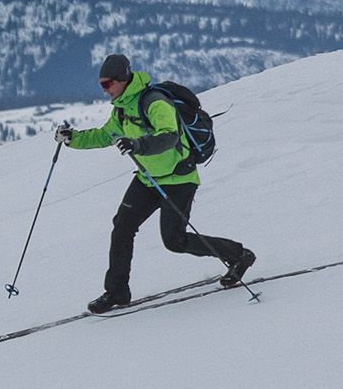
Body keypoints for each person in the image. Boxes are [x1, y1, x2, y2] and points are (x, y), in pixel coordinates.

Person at [59, 53, 253, 312]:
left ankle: (239, 256)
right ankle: (117, 292)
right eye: (101, 85)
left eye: (107, 84)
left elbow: (169, 137)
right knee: (122, 227)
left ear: (122, 80)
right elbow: (105, 135)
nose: (104, 90)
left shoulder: (154, 103)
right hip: (148, 179)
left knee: (175, 241)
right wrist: (73, 139)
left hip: (179, 179)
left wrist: (137, 144)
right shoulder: (122, 109)